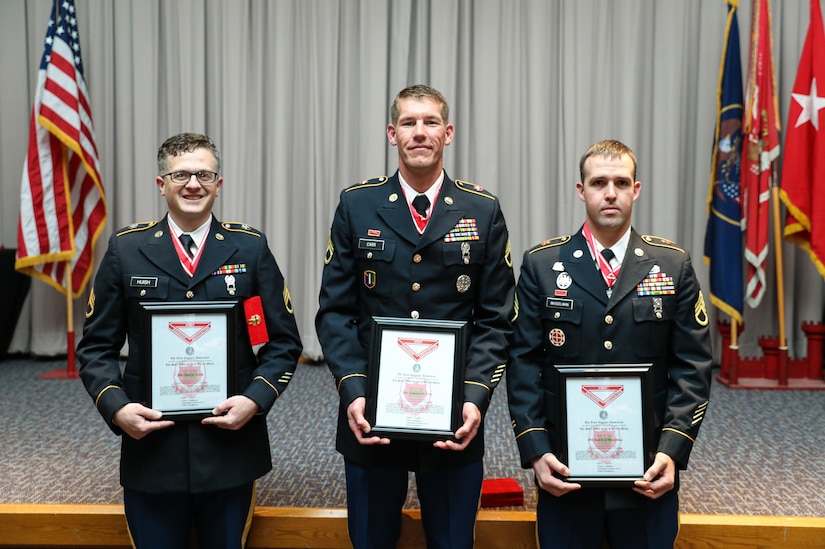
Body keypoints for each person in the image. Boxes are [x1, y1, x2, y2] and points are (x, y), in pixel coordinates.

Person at [77, 132, 303, 549]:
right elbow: (95, 348)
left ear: (219, 183)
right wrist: (117, 408)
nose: (193, 184)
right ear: (160, 184)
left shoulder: (248, 250)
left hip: (229, 447)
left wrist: (254, 400)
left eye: (204, 174)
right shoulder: (126, 251)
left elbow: (281, 344)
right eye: (180, 174)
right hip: (152, 447)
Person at [316, 84, 515, 549]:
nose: (419, 132)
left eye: (429, 123)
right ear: (392, 133)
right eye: (408, 122)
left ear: (447, 133)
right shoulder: (357, 205)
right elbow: (335, 313)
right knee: (370, 539)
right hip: (371, 413)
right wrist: (353, 391)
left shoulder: (481, 210)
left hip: (452, 416)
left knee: (451, 540)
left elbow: (496, 318)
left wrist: (474, 397)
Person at [506, 139, 712, 548]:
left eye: (621, 182)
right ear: (581, 190)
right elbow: (523, 362)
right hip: (565, 469)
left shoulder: (671, 265)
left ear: (636, 189)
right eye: (599, 182)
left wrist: (672, 450)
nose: (611, 193)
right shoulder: (543, 265)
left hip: (647, 471)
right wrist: (535, 450)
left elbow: (693, 365)